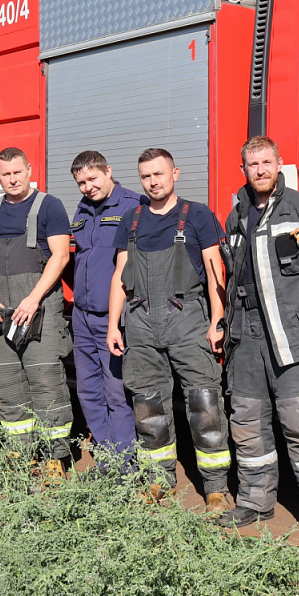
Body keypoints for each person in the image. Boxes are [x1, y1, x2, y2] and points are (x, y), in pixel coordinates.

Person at [218, 137, 299, 534]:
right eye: (253, 164)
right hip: (247, 335)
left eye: (267, 162)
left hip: (289, 336)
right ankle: (255, 500)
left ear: (279, 163)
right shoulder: (235, 215)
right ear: (244, 170)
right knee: (248, 422)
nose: (261, 170)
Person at [106, 148, 232, 512]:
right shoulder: (131, 219)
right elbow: (119, 276)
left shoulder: (198, 215)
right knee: (148, 407)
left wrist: (216, 321)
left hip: (188, 321)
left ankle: (216, 488)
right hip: (141, 323)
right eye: (146, 176)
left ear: (175, 173)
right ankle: (157, 480)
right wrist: (114, 324)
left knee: (205, 404)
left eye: (159, 174)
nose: (153, 182)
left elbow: (215, 273)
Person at [0, 147, 73, 475]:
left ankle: (56, 459)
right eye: (6, 174)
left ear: (29, 170)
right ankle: (21, 457)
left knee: (47, 384)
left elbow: (60, 256)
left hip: (38, 310)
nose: (12, 179)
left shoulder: (49, 206)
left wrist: (33, 298)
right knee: (9, 385)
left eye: (18, 172)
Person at [68, 150, 142, 455]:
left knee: (116, 392)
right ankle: (107, 455)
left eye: (92, 178)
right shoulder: (82, 209)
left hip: (113, 317)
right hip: (82, 315)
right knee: (88, 391)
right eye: (81, 182)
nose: (88, 187)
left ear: (108, 171)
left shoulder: (134, 205)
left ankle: (124, 463)